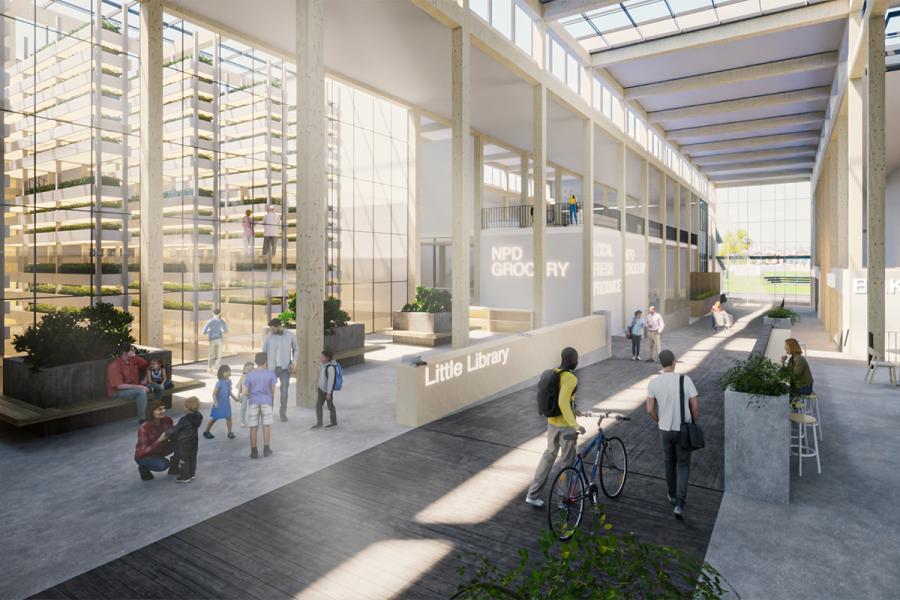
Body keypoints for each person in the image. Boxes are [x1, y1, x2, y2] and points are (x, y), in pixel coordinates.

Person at [524, 347, 584, 508]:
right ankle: (562, 500)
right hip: (566, 428)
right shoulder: (570, 378)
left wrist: (574, 409)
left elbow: (562, 400)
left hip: (552, 424)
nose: (577, 362)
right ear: (571, 359)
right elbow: (562, 402)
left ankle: (532, 494)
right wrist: (575, 424)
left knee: (548, 456)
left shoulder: (554, 373)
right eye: (576, 359)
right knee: (567, 464)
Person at [645, 349, 699, 520]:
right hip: (683, 429)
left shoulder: (653, 383)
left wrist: (659, 421)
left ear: (661, 363)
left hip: (665, 430)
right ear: (674, 361)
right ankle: (679, 505)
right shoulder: (685, 380)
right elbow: (695, 406)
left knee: (669, 463)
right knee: (683, 465)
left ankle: (671, 495)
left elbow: (649, 410)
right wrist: (694, 422)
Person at [262, 317, 299, 422]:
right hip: (271, 369)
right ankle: (269, 413)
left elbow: (296, 349)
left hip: (285, 369)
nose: (272, 331)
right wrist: (263, 367)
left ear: (279, 326)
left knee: (284, 392)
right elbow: (263, 352)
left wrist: (294, 362)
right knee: (270, 392)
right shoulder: (268, 337)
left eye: (273, 328)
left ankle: (283, 413)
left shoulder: (290, 335)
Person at [244, 352, 276, 459]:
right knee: (266, 426)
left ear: (256, 361)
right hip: (266, 401)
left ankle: (254, 452)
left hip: (253, 401)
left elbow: (245, 392)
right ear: (266, 361)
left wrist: (250, 396)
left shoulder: (250, 374)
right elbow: (273, 390)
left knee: (253, 427)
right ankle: (266, 449)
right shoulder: (271, 374)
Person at [107, 346, 151, 424]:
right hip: (117, 392)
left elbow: (149, 365)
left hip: (134, 388)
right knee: (141, 392)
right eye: (131, 350)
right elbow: (119, 386)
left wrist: (145, 378)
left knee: (156, 387)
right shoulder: (114, 366)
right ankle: (142, 419)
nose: (134, 351)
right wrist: (140, 386)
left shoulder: (134, 359)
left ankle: (155, 413)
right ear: (124, 353)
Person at [134, 401, 174, 481]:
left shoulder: (168, 420)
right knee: (163, 464)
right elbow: (143, 450)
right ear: (152, 412)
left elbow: (173, 433)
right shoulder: (144, 428)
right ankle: (144, 468)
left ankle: (175, 467)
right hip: (145, 456)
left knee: (183, 442)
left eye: (163, 408)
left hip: (161, 449)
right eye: (159, 409)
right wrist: (159, 440)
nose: (163, 411)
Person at [169, 396, 203, 483]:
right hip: (194, 440)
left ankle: (185, 476)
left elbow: (176, 429)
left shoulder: (184, 419)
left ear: (187, 408)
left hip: (184, 442)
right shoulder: (199, 416)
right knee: (192, 457)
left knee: (184, 459)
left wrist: (168, 432)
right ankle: (192, 473)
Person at [204, 365, 236, 440]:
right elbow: (214, 394)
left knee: (229, 418)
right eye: (225, 372)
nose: (227, 373)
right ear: (221, 373)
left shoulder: (229, 381)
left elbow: (229, 392)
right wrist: (215, 402)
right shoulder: (219, 383)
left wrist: (235, 398)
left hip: (226, 404)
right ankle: (206, 431)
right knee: (214, 418)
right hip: (219, 404)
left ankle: (230, 432)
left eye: (228, 371)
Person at [313, 349, 339, 429]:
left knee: (330, 406)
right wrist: (318, 386)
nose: (320, 357)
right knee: (318, 406)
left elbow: (330, 381)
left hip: (327, 391)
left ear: (327, 358)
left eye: (322, 356)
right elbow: (322, 378)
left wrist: (328, 393)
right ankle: (319, 422)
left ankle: (334, 422)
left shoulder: (330, 367)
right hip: (321, 390)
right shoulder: (323, 365)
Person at [202, 308, 228, 374]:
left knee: (210, 355)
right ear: (220, 314)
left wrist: (210, 331)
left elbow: (204, 332)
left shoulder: (209, 321)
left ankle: (209, 368)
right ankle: (216, 370)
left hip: (212, 340)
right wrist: (221, 331)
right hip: (219, 340)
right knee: (219, 356)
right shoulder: (222, 322)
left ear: (213, 313)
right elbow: (225, 331)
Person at [237, 361, 255, 428]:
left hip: (251, 394)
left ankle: (251, 420)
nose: (249, 371)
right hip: (244, 394)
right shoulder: (243, 377)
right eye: (248, 369)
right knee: (243, 408)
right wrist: (238, 395)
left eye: (251, 369)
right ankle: (242, 421)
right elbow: (239, 386)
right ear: (244, 369)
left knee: (252, 408)